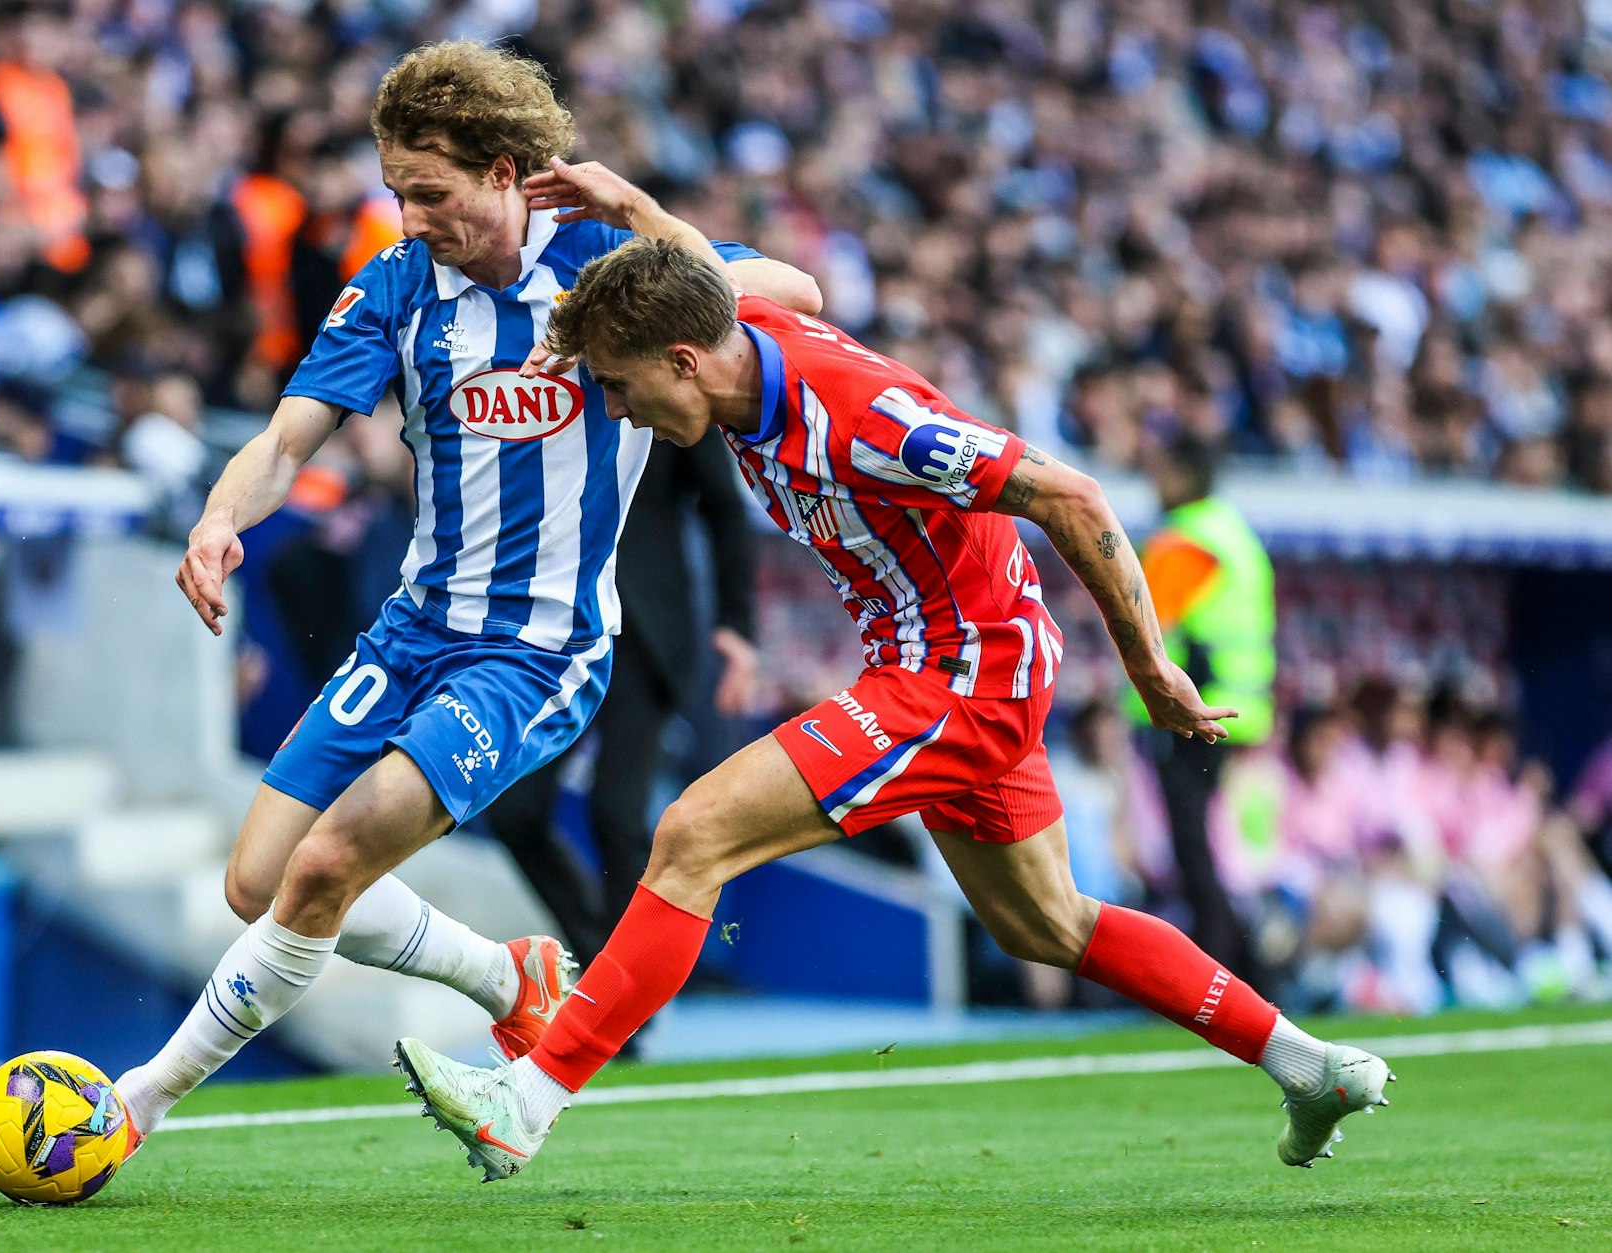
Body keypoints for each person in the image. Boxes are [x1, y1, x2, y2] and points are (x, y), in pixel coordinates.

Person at [391, 229, 1392, 1181]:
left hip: (958, 672)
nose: (613, 408)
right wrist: (615, 211)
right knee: (1045, 923)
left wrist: (1147, 666)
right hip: (950, 659)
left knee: (692, 831)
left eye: (618, 385)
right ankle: (1307, 1063)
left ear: (685, 359)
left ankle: (523, 1099)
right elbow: (694, 261)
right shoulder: (728, 331)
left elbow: (1074, 498)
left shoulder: (865, 421)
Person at [112, 41, 820, 1153]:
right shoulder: (394, 285)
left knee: (330, 864)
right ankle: (508, 971)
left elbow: (795, 291)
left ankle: (135, 1103)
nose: (410, 213)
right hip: (411, 631)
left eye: (430, 192)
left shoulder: (603, 266)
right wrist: (215, 520)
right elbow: (287, 438)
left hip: (538, 648)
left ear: (503, 171)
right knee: (260, 881)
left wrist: (635, 204)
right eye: (396, 190)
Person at [484, 431, 760, 964]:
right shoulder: (538, 377)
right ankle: (604, 967)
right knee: (515, 811)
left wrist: (737, 625)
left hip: (644, 637)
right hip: (551, 633)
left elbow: (724, 508)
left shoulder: (661, 381)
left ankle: (618, 999)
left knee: (618, 817)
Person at [1128, 431, 1276, 984]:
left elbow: (1146, 626)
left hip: (1190, 715)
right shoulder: (1236, 534)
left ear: (1184, 476)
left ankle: (1224, 977)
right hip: (1238, 711)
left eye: (1161, 470)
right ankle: (1252, 971)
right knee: (1209, 853)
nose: (1153, 482)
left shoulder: (1185, 539)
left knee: (1195, 856)